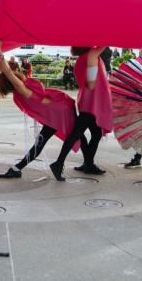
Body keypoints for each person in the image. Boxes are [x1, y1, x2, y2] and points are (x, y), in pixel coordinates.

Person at [0, 41, 83, 178]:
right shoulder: (21, 88)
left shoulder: (20, 91)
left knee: (50, 141)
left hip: (57, 110)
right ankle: (59, 164)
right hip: (59, 110)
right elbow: (7, 71)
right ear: (11, 80)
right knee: (75, 136)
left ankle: (20, 168)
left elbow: (3, 69)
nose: (15, 71)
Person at [49, 46, 112, 181]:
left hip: (90, 102)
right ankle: (59, 163)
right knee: (77, 134)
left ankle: (88, 164)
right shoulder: (90, 56)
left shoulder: (84, 59)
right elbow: (91, 84)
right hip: (91, 104)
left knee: (94, 134)